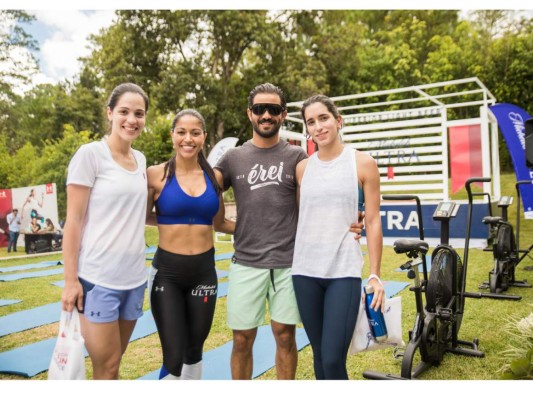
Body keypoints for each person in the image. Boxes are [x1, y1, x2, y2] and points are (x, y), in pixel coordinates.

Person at [214, 83, 363, 380]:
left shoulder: (298, 159)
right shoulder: (233, 158)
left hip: (289, 263)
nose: (266, 115)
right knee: (242, 340)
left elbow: (328, 194)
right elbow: (202, 186)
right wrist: (224, 224)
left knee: (284, 336)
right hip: (246, 262)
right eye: (259, 109)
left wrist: (359, 216)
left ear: (283, 115)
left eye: (273, 109)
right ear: (250, 114)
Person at [291, 94, 385, 380]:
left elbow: (372, 218)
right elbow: (304, 215)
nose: (318, 126)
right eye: (311, 122)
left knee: (333, 359)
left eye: (323, 118)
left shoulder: (362, 162)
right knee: (319, 357)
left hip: (343, 271)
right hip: (304, 271)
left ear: (338, 120)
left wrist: (375, 274)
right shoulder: (302, 168)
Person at [61, 82, 149, 380]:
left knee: (114, 365)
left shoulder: (141, 161)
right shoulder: (90, 155)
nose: (131, 120)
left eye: (139, 113)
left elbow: (137, 214)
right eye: (124, 111)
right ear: (110, 113)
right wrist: (71, 280)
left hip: (135, 279)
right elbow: (73, 221)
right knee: (107, 366)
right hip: (98, 279)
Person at [146, 109, 235, 380]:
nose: (188, 138)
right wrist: (168, 218)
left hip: (203, 273)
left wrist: (263, 230)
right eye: (182, 132)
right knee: (173, 354)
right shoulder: (154, 175)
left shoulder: (215, 178)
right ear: (172, 135)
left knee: (194, 349)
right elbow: (138, 216)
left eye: (195, 132)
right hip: (168, 275)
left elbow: (220, 223)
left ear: (204, 137)